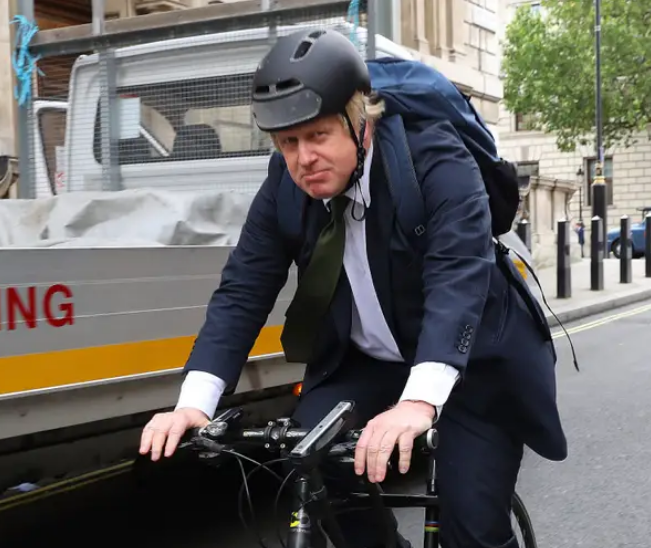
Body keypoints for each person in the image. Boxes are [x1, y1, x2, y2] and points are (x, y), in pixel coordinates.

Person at [138, 28, 566, 548]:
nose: (303, 159)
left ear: (360, 121)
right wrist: (195, 403)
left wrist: (419, 402)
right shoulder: (285, 184)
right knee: (312, 466)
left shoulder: (436, 158)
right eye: (288, 142)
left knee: (471, 524)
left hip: (473, 362)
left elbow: (457, 278)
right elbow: (244, 288)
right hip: (369, 361)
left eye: (318, 136)